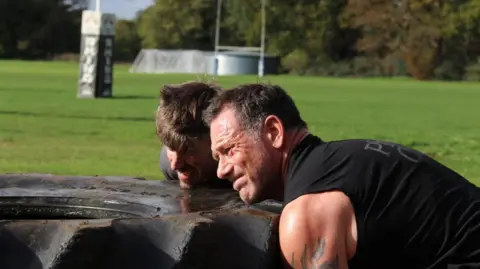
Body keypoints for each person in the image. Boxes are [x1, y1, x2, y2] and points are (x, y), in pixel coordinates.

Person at [203, 83, 480, 269]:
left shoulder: (308, 211)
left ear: (273, 132)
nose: (221, 170)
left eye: (229, 150)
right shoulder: (340, 161)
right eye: (217, 158)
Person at [155, 81, 230, 189]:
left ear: (216, 139)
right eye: (171, 148)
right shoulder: (168, 165)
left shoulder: (246, 169)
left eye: (187, 150)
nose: (175, 165)